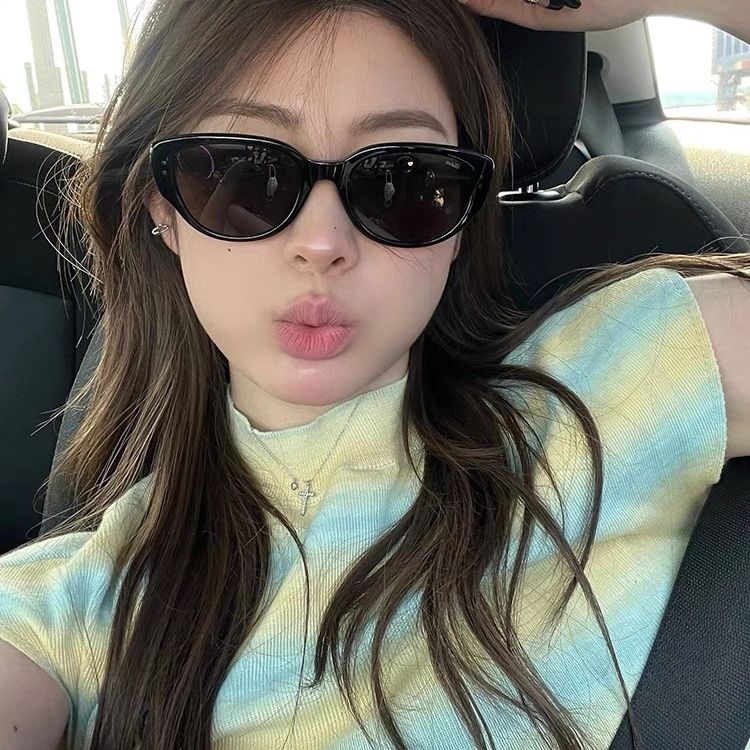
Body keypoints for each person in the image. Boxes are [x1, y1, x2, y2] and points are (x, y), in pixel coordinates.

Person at [0, 1, 748, 749]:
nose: (323, 242)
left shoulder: (613, 382)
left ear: (463, 221)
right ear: (163, 208)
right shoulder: (68, 605)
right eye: (245, 173)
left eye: (404, 181)